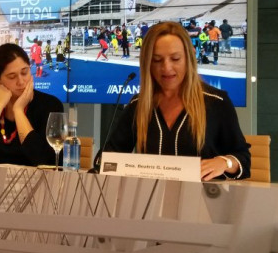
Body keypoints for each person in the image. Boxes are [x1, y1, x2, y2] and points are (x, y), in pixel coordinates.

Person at [104, 21, 250, 180]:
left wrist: (224, 162)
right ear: (147, 64)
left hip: (203, 202)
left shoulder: (217, 102)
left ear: (189, 58)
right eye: (157, 60)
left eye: (175, 58)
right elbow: (110, 156)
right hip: (151, 202)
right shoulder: (138, 105)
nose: (166, 68)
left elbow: (243, 158)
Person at [0, 43, 64, 166]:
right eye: (12, 77)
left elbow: (44, 161)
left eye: (25, 72)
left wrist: (18, 110)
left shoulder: (50, 105)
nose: (21, 82)